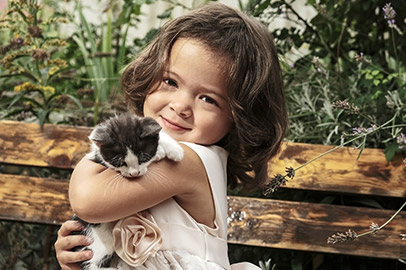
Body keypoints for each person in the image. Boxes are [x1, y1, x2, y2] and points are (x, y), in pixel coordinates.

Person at [54, 2, 287, 269]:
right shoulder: (148, 158)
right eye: (170, 82)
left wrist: (104, 146)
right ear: (149, 73)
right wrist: (82, 256)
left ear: (239, 119)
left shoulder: (191, 161)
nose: (180, 106)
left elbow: (87, 201)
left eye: (208, 99)